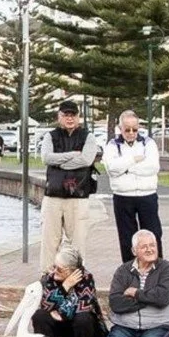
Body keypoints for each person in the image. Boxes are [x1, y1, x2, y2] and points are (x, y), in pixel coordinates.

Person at [86, 229, 169, 337]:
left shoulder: (167, 268)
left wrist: (136, 293)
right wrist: (150, 298)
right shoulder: (123, 271)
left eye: (153, 245)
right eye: (144, 246)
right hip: (126, 325)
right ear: (134, 250)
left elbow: (164, 297)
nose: (150, 249)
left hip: (158, 324)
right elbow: (116, 302)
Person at [39, 99, 103, 272]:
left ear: (78, 117)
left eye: (73, 115)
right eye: (65, 115)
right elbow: (46, 158)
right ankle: (47, 276)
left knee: (78, 242)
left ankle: (78, 276)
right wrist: (71, 155)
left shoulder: (87, 137)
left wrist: (60, 163)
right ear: (59, 116)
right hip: (53, 195)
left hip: (78, 196)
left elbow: (86, 159)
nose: (69, 118)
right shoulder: (50, 136)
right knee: (49, 240)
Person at [103, 108, 163, 263]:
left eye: (134, 129)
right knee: (127, 237)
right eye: (127, 129)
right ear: (120, 129)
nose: (131, 133)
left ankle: (157, 270)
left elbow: (153, 167)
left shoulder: (148, 143)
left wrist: (126, 168)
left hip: (147, 195)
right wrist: (134, 159)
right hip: (123, 196)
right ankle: (130, 272)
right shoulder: (112, 145)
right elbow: (111, 169)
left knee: (153, 234)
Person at [30, 245, 105, 337]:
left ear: (72, 271)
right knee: (39, 316)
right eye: (54, 266)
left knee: (83, 318)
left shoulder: (86, 278)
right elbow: (45, 305)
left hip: (81, 330)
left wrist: (61, 314)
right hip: (60, 328)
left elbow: (84, 307)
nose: (54, 271)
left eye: (59, 269)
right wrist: (65, 287)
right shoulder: (50, 278)